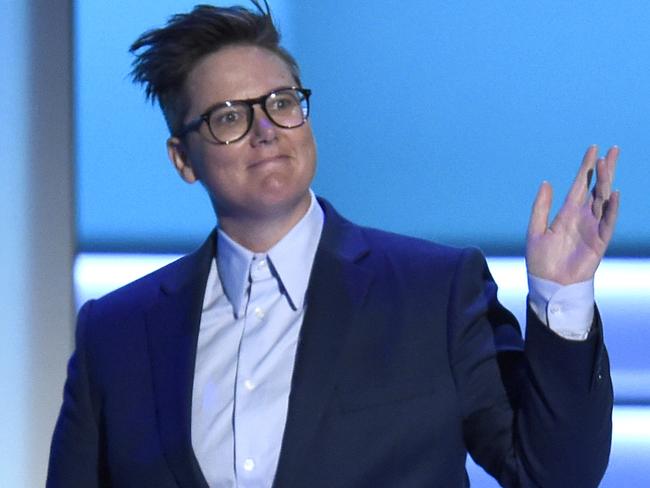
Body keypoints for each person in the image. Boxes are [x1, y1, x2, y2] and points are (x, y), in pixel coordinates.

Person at [47, 2, 620, 487]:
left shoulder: (434, 293)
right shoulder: (116, 332)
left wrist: (561, 294)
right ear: (183, 158)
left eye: (282, 102)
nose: (266, 129)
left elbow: (554, 472)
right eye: (228, 118)